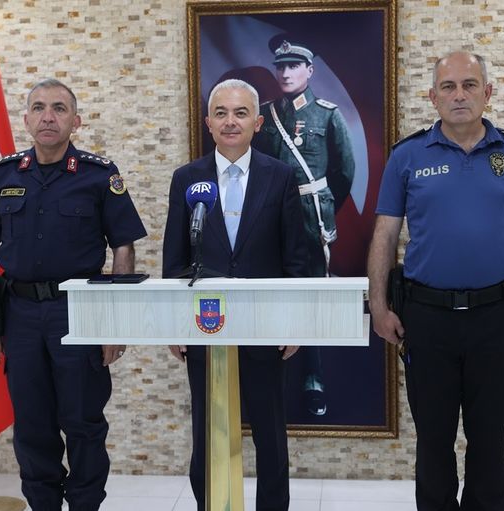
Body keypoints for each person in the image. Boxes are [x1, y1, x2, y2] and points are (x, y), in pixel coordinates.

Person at [367, 52, 504, 511]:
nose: (459, 95)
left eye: (469, 85)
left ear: (488, 93)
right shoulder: (407, 156)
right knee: (433, 439)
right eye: (448, 87)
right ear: (433, 97)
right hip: (427, 320)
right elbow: (385, 235)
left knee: (489, 440)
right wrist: (379, 305)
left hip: (497, 319)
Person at [0, 78, 147, 511]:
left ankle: (84, 505)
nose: (49, 117)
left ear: (75, 121)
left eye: (59, 109)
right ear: (26, 120)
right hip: (21, 316)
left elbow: (123, 247)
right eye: (39, 108)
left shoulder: (99, 175)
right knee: (32, 426)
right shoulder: (3, 174)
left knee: (83, 422)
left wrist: (114, 324)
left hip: (79, 313)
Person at [163, 78, 308, 511]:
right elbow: (174, 258)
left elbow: (296, 257)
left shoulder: (280, 176)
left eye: (241, 113)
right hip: (205, 325)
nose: (230, 121)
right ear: (208, 122)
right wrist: (175, 324)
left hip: (264, 325)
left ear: (257, 122)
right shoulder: (187, 178)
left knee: (270, 434)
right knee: (208, 432)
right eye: (221, 113)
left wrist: (293, 322)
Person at [253, 38, 356, 416]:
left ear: (309, 71)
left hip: (311, 215)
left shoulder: (327, 115)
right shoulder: (264, 115)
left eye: (293, 66)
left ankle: (313, 375)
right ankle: (269, 372)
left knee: (310, 292)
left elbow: (344, 173)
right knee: (269, 290)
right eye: (280, 66)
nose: (285, 73)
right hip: (269, 216)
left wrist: (323, 208)